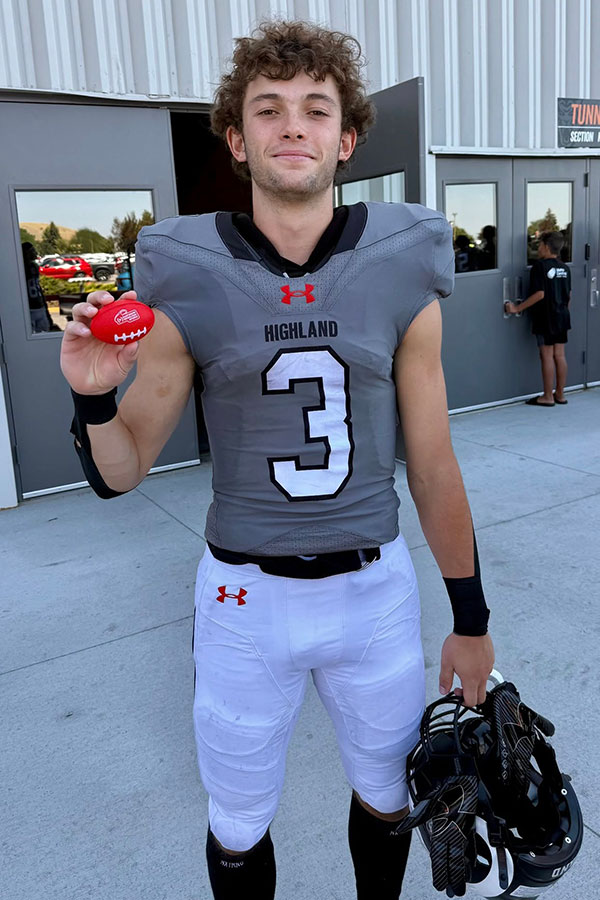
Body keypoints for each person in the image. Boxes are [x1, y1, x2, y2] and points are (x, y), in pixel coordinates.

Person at [60, 20, 494, 900]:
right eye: (268, 109)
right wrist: (95, 397)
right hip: (241, 599)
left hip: (373, 592)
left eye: (313, 108)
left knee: (386, 799)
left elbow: (434, 461)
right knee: (237, 821)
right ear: (236, 137)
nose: (290, 125)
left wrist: (471, 616)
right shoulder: (186, 270)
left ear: (347, 138)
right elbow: (122, 469)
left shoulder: (401, 257)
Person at [505, 231, 571, 406]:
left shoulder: (540, 267)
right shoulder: (564, 268)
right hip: (562, 315)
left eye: (540, 245)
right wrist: (562, 313)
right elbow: (568, 295)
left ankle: (547, 396)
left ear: (547, 246)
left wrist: (516, 308)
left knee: (547, 356)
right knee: (560, 355)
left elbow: (540, 294)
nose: (538, 248)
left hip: (546, 317)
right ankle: (560, 394)